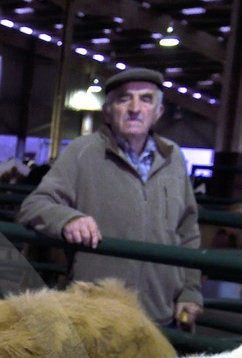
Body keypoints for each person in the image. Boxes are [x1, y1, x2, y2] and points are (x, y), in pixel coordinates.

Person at [17, 66, 203, 330]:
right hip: (96, 316)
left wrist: (190, 291)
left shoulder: (173, 158)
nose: (135, 108)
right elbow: (35, 204)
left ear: (158, 113)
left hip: (160, 314)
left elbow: (188, 230)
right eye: (124, 98)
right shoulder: (83, 153)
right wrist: (68, 219)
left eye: (146, 99)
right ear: (108, 110)